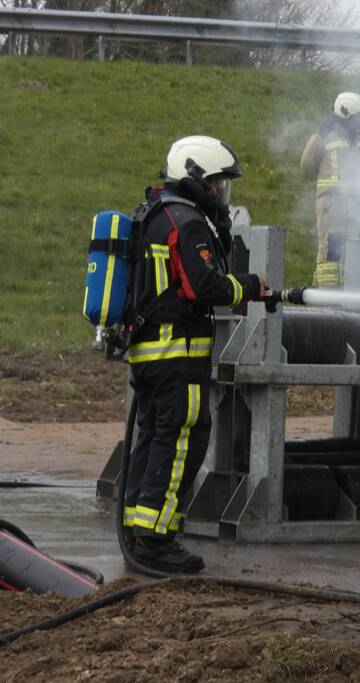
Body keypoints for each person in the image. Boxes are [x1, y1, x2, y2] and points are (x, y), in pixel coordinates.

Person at [123, 135, 267, 573]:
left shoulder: (154, 213)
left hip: (152, 352)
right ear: (195, 178)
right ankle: (156, 539)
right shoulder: (185, 222)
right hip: (176, 353)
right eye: (217, 183)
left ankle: (138, 524)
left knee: (155, 435)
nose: (221, 193)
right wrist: (252, 286)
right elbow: (204, 287)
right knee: (184, 435)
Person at [300, 91, 360, 288]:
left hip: (351, 206)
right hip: (331, 205)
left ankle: (332, 293)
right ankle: (326, 296)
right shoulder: (323, 137)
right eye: (358, 118)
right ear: (347, 116)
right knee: (330, 250)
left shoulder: (357, 142)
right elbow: (307, 166)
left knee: (347, 251)